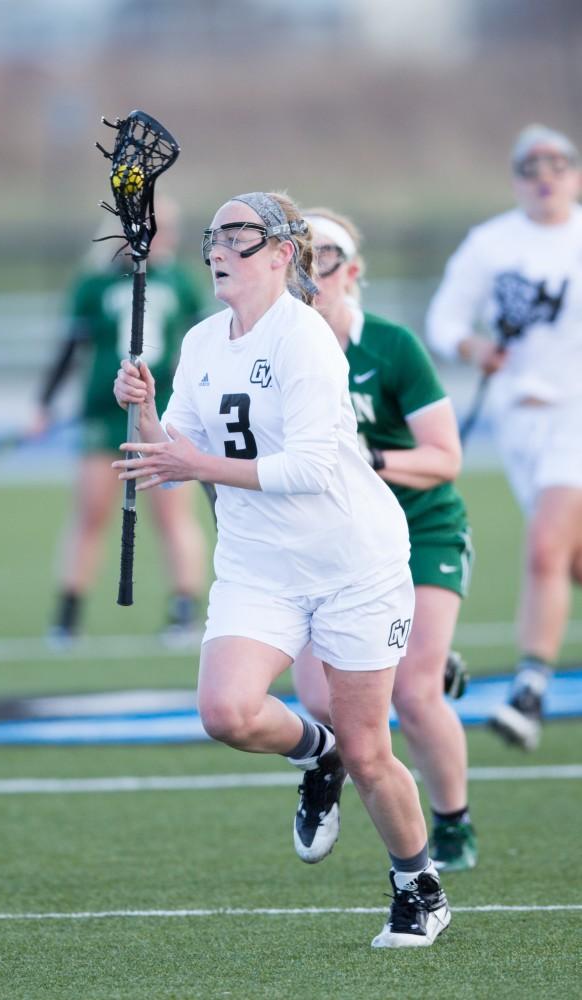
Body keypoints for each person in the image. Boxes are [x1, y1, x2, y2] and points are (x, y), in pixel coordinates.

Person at [112, 190, 451, 948]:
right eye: (214, 236)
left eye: (241, 235)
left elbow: (306, 466)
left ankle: (417, 886)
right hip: (258, 564)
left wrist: (191, 461)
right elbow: (171, 449)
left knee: (371, 749)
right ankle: (312, 751)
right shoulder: (202, 341)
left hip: (351, 564)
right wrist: (142, 409)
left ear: (281, 254)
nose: (219, 250)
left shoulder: (306, 341)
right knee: (226, 712)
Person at [290, 208, 476, 873]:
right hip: (335, 541)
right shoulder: (275, 352)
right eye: (300, 258)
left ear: (354, 270)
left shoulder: (391, 347)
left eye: (328, 257)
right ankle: (324, 761)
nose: (313, 273)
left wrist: (368, 462)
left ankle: (452, 822)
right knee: (317, 699)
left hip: (420, 527)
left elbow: (445, 456)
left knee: (416, 693)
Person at [426, 123, 582, 751]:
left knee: (544, 548)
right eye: (529, 167)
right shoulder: (491, 244)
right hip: (520, 421)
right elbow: (444, 319)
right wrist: (474, 346)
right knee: (569, 559)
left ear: (575, 174)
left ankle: (529, 693)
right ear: (516, 179)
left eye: (557, 164)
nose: (544, 176)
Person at [35, 198, 208, 646]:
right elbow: (70, 350)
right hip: (104, 416)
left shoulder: (182, 282)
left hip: (165, 412)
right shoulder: (94, 284)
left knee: (172, 515)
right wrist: (44, 404)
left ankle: (184, 608)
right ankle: (68, 614)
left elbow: (200, 349)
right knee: (90, 513)